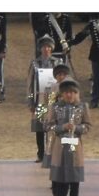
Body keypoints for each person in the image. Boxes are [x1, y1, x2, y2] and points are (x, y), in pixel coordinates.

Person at [45, 79, 90, 196]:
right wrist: (62, 127)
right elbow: (48, 126)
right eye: (66, 93)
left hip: (75, 146)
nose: (69, 95)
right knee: (60, 176)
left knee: (74, 177)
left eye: (72, 92)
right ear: (62, 94)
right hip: (60, 146)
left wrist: (77, 128)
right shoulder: (55, 107)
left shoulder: (82, 107)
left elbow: (87, 126)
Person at [28, 35, 63, 163]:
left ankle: (52, 153)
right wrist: (31, 100)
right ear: (40, 49)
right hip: (40, 100)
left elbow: (63, 81)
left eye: (48, 47)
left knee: (53, 128)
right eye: (44, 47)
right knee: (40, 128)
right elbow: (30, 86)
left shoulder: (58, 63)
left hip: (54, 100)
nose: (46, 49)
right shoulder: (35, 63)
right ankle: (41, 154)